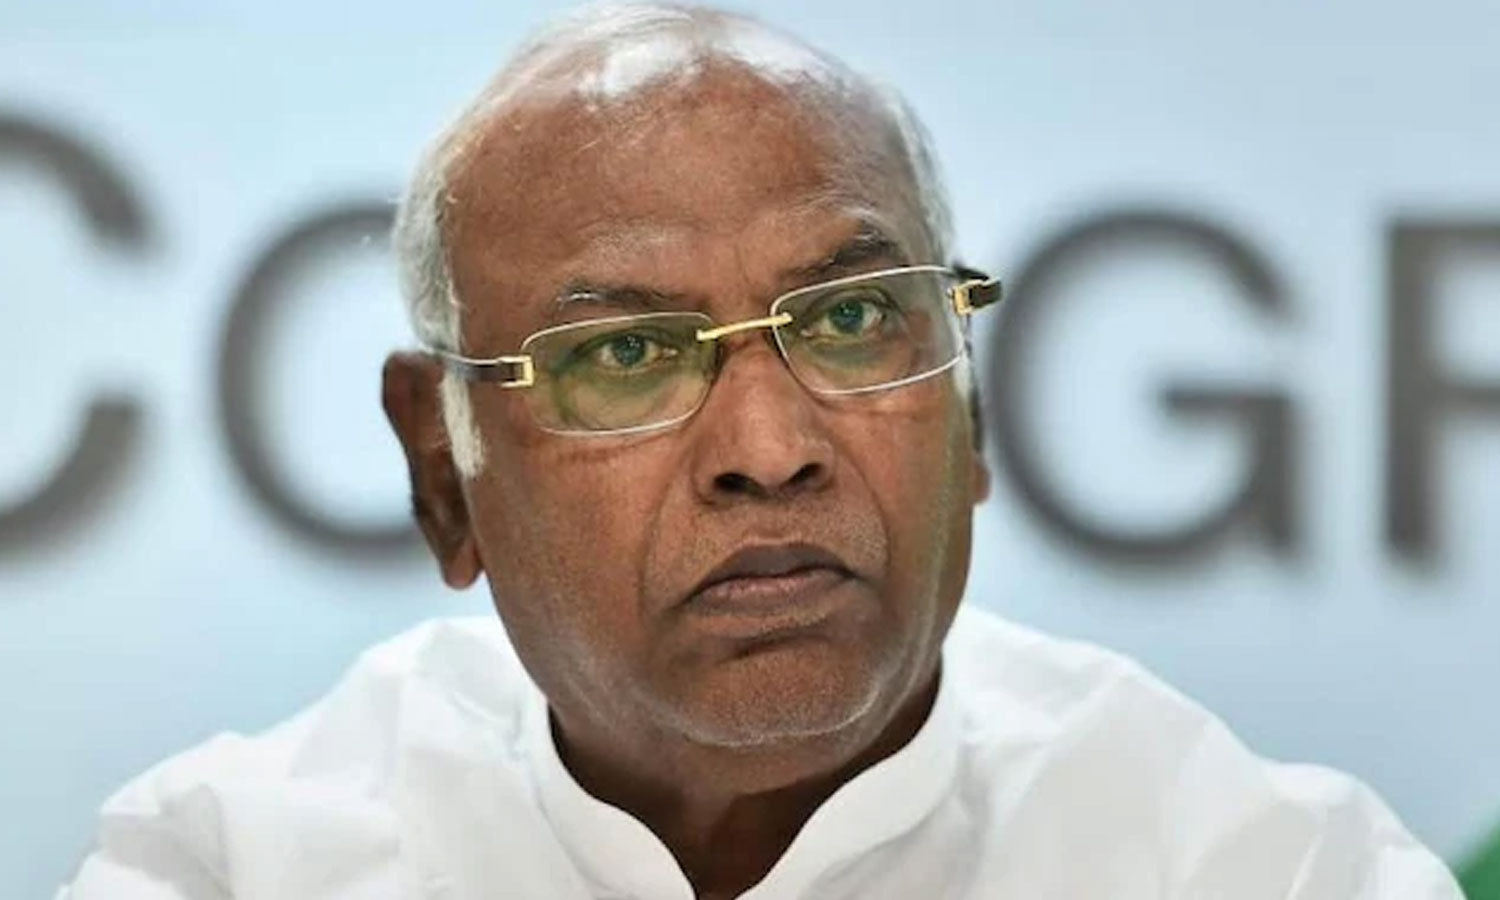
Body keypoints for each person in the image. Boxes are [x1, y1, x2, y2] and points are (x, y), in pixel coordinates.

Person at [61, 3, 1462, 898]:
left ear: (971, 412)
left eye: (852, 319)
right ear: (444, 475)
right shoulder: (233, 868)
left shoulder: (1269, 869)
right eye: (626, 354)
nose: (771, 448)